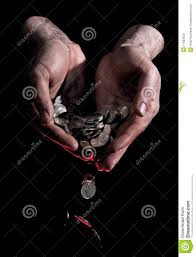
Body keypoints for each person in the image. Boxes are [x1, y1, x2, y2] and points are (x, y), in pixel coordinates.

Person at [22, 16, 164, 172]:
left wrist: (137, 47)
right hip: (36, 134)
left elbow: (163, 24)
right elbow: (26, 21)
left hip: (124, 104)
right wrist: (53, 41)